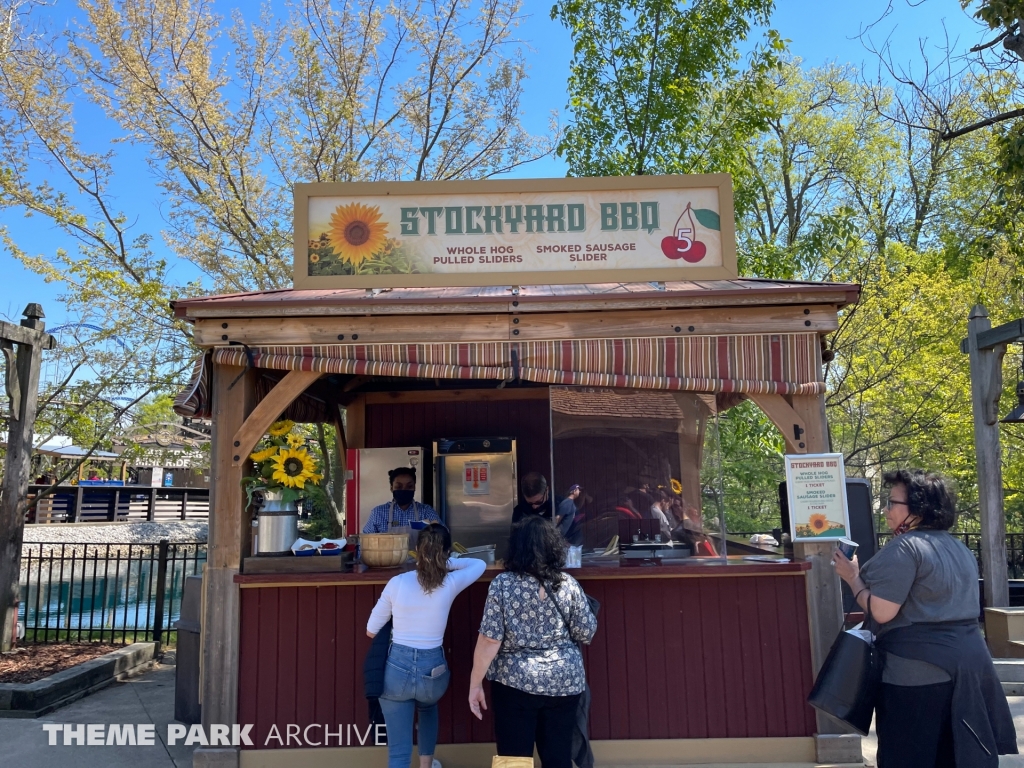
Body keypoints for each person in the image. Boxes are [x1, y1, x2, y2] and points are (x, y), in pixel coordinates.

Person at [833, 469, 1017, 767]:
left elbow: (882, 612)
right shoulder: (959, 548)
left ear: (917, 510)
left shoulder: (905, 549)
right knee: (955, 754)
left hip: (915, 672)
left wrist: (853, 578)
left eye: (892, 503)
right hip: (969, 667)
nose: (886, 510)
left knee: (908, 756)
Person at [468, 515, 598, 768]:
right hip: (564, 682)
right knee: (558, 758)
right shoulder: (568, 584)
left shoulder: (503, 585)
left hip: (514, 683)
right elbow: (586, 632)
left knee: (513, 760)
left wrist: (475, 684)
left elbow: (489, 639)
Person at [367, 523, 486, 768]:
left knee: (398, 755)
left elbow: (371, 630)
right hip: (433, 673)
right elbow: (480, 564)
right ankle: (426, 765)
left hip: (396, 673)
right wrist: (442, 564)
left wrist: (428, 562)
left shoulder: (397, 582)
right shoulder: (450, 583)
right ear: (446, 552)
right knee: (428, 708)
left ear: (416, 551)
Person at [363, 466, 440, 533]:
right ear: (391, 488)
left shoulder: (426, 511)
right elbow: (364, 543)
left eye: (409, 486)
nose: (404, 490)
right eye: (399, 487)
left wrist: (435, 529)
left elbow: (443, 536)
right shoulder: (378, 513)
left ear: (414, 487)